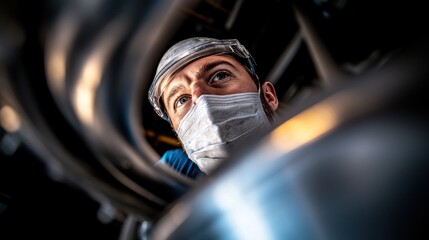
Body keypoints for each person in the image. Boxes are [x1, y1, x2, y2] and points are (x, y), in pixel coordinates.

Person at [149, 37, 279, 176]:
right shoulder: (178, 169)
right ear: (180, 137)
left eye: (220, 76)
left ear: (268, 96)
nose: (201, 100)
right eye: (182, 100)